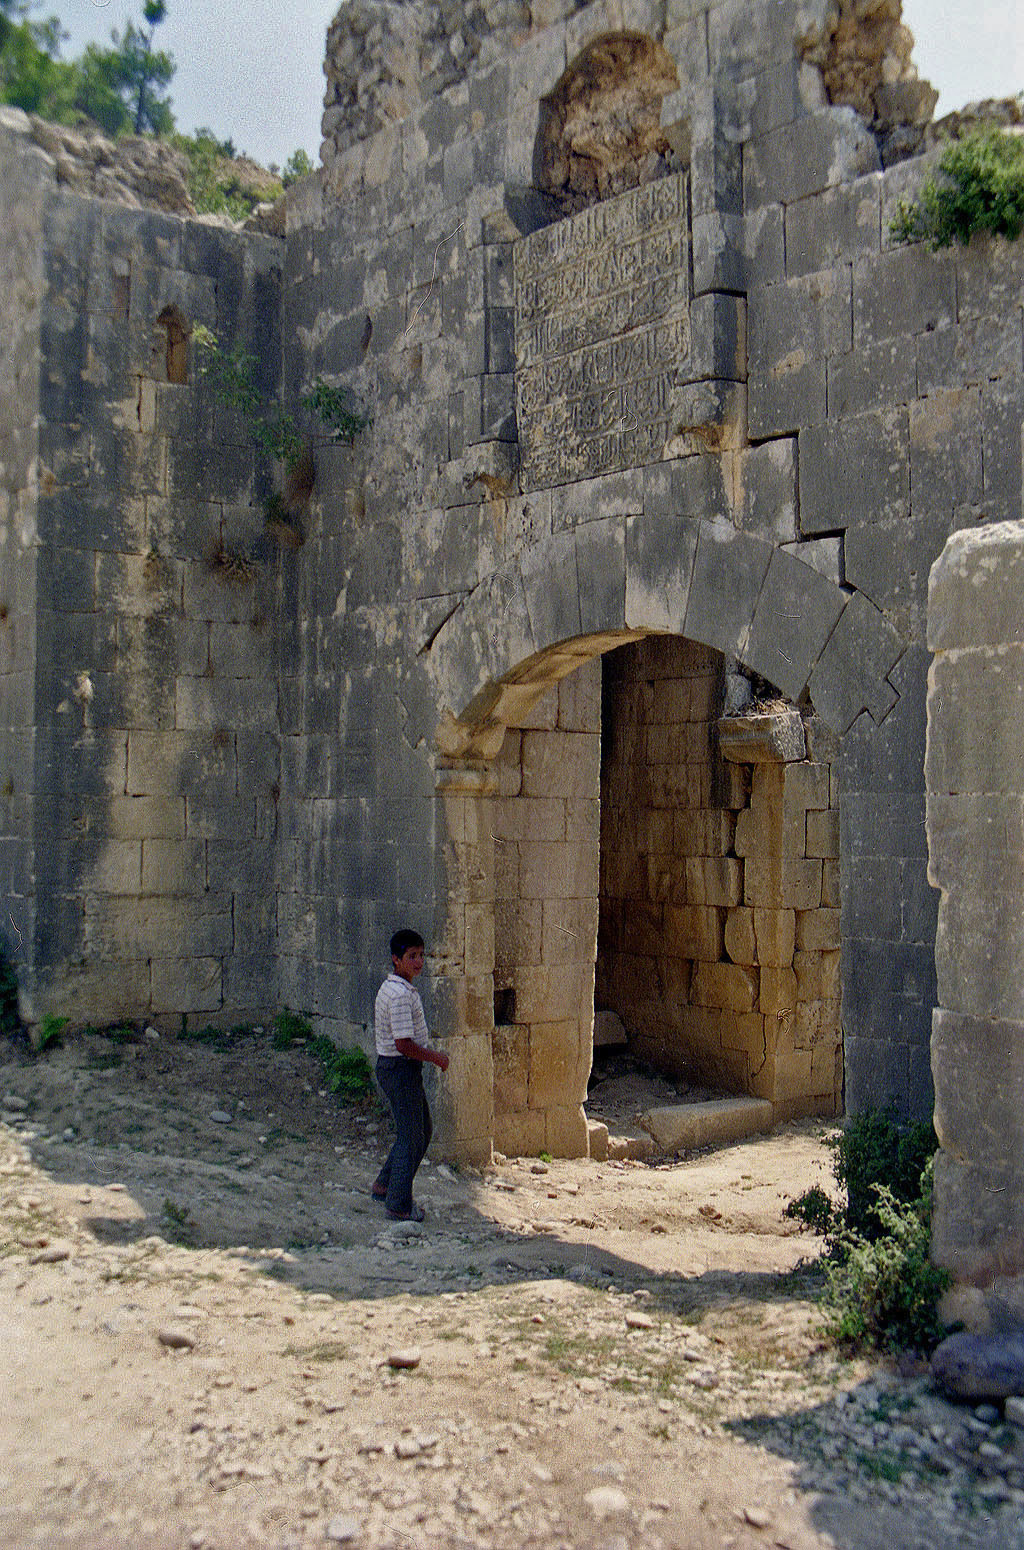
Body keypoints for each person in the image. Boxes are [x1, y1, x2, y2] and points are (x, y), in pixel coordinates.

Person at [372, 928, 449, 1222]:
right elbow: (403, 1044)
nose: (418, 962)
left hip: (397, 1069)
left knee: (421, 1131)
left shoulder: (394, 988)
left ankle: (385, 1184)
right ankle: (399, 1204)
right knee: (411, 1137)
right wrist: (437, 1058)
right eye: (411, 956)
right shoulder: (401, 995)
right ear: (396, 959)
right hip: (399, 1068)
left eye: (421, 955)